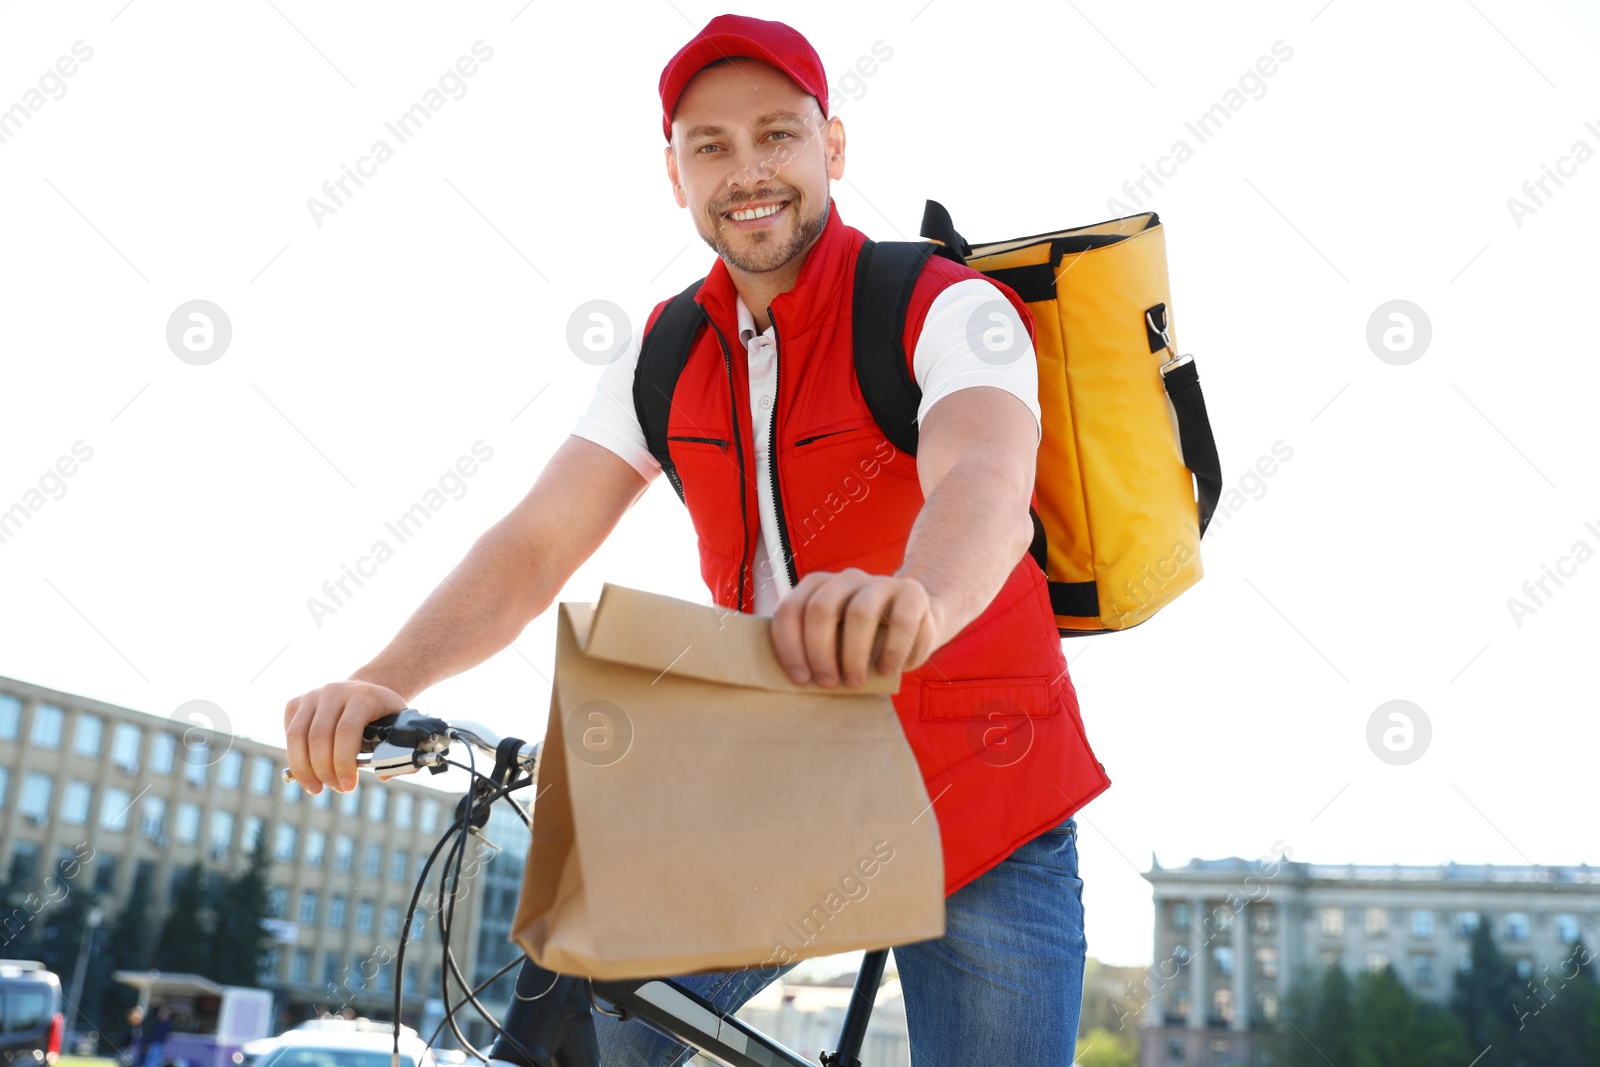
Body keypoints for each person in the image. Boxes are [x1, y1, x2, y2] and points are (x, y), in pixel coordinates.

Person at [282, 14, 1108, 1065]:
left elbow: (983, 477)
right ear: (674, 174)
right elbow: (537, 542)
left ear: (832, 148)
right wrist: (382, 677)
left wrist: (920, 600)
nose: (746, 169)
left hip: (988, 790)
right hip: (782, 780)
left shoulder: (945, 305)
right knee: (576, 1029)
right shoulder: (665, 351)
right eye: (708, 145)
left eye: (776, 135)